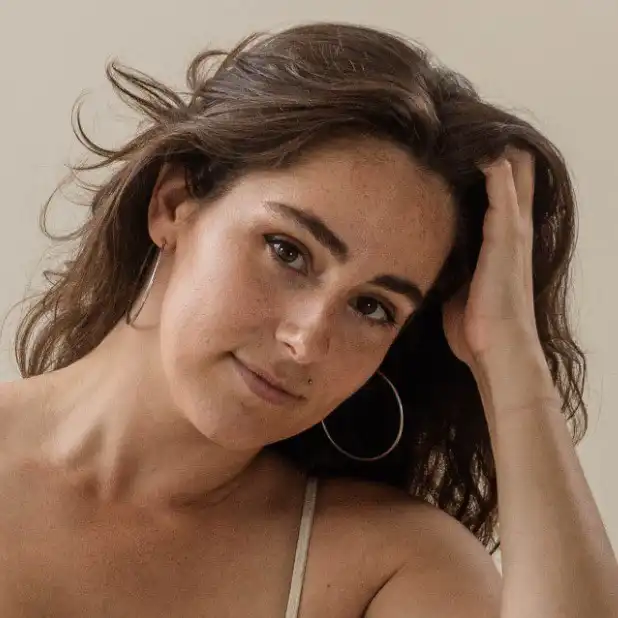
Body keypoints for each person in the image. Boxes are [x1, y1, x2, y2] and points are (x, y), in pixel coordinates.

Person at [0, 21, 616, 618]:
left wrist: (513, 365)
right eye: (287, 251)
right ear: (175, 203)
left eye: (372, 307)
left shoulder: (388, 567)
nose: (306, 340)